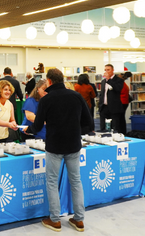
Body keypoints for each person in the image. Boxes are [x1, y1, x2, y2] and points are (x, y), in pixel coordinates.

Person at [24, 68, 93, 232]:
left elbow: (38, 126)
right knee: (76, 181)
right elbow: (89, 124)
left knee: (52, 182)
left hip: (54, 146)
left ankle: (54, 220)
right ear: (62, 79)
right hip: (74, 145)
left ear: (48, 81)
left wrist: (28, 129)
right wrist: (75, 131)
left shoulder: (46, 100)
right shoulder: (76, 96)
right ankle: (79, 219)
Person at [98, 64, 124, 132]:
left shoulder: (119, 80)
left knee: (114, 127)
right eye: (105, 70)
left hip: (114, 108)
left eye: (108, 70)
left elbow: (118, 89)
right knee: (103, 127)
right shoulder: (103, 81)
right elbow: (102, 94)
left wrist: (109, 80)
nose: (106, 71)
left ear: (113, 70)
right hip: (104, 107)